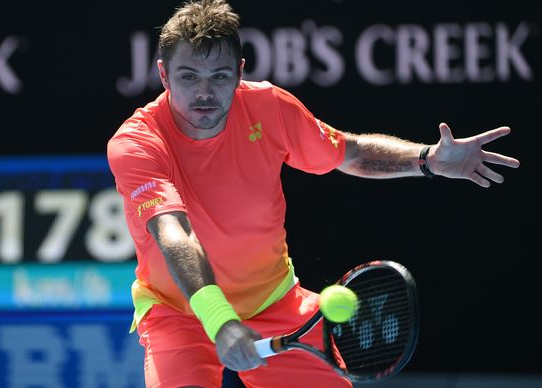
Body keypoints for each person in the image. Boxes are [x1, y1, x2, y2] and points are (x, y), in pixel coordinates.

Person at [107, 1, 520, 386]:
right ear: (163, 74)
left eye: (220, 76)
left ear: (239, 71)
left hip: (275, 304)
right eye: (188, 76)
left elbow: (350, 152)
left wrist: (427, 159)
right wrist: (220, 320)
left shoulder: (270, 107)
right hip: (180, 313)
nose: (204, 92)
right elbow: (172, 231)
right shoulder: (137, 143)